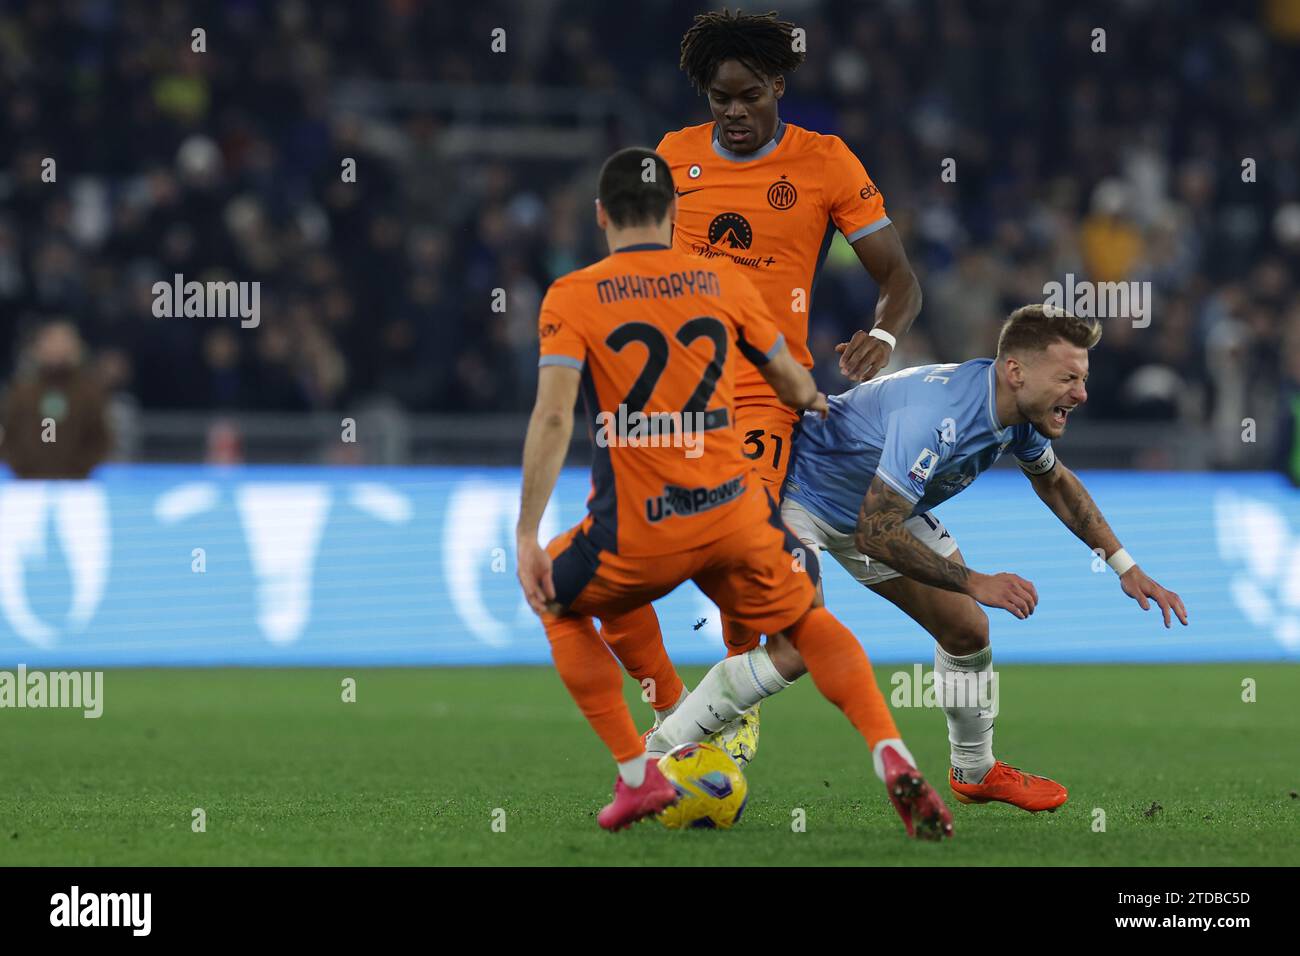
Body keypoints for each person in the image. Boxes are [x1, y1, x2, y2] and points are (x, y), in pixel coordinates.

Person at [515, 147, 951, 838]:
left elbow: (552, 417)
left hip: (640, 526)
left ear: (601, 215)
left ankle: (637, 773)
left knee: (557, 595)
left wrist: (524, 534)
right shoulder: (720, 282)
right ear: (674, 212)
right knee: (808, 624)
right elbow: (789, 379)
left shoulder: (573, 295)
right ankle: (887, 748)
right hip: (733, 515)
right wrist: (811, 397)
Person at [647, 305, 1189, 812]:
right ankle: (656, 756)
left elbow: (1056, 482)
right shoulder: (940, 416)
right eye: (1069, 379)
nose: (1082, 394)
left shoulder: (1019, 411)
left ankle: (975, 772)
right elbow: (874, 533)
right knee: (795, 651)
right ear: (1017, 371)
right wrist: (974, 579)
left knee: (966, 631)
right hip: (801, 499)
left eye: (1084, 378)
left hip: (880, 506)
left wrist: (1126, 567)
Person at [599, 9, 924, 765]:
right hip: (663, 396)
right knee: (621, 572)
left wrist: (882, 333)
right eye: (720, 98)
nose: (735, 112)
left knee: (737, 539)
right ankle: (689, 696)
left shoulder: (825, 162)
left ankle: (722, 712)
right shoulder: (673, 157)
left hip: (761, 393)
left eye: (749, 95)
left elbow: (898, 276)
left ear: (779, 85)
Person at [1, 320, 111, 479]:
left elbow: (101, 437)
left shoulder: (89, 393)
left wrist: (81, 468)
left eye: (63, 341)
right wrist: (20, 467)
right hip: (26, 484)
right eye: (51, 341)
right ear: (38, 347)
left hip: (77, 485)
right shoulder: (21, 392)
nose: (57, 347)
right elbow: (7, 434)